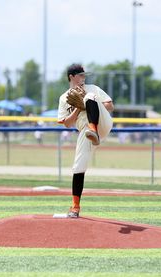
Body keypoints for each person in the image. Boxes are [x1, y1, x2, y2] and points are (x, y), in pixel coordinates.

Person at [57, 64, 114, 218]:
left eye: (84, 75)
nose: (84, 77)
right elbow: (67, 123)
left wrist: (86, 101)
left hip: (103, 122)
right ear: (71, 77)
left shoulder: (92, 88)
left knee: (89, 96)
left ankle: (94, 130)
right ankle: (75, 207)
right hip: (86, 133)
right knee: (78, 166)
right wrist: (78, 107)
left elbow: (110, 105)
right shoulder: (64, 98)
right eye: (81, 75)